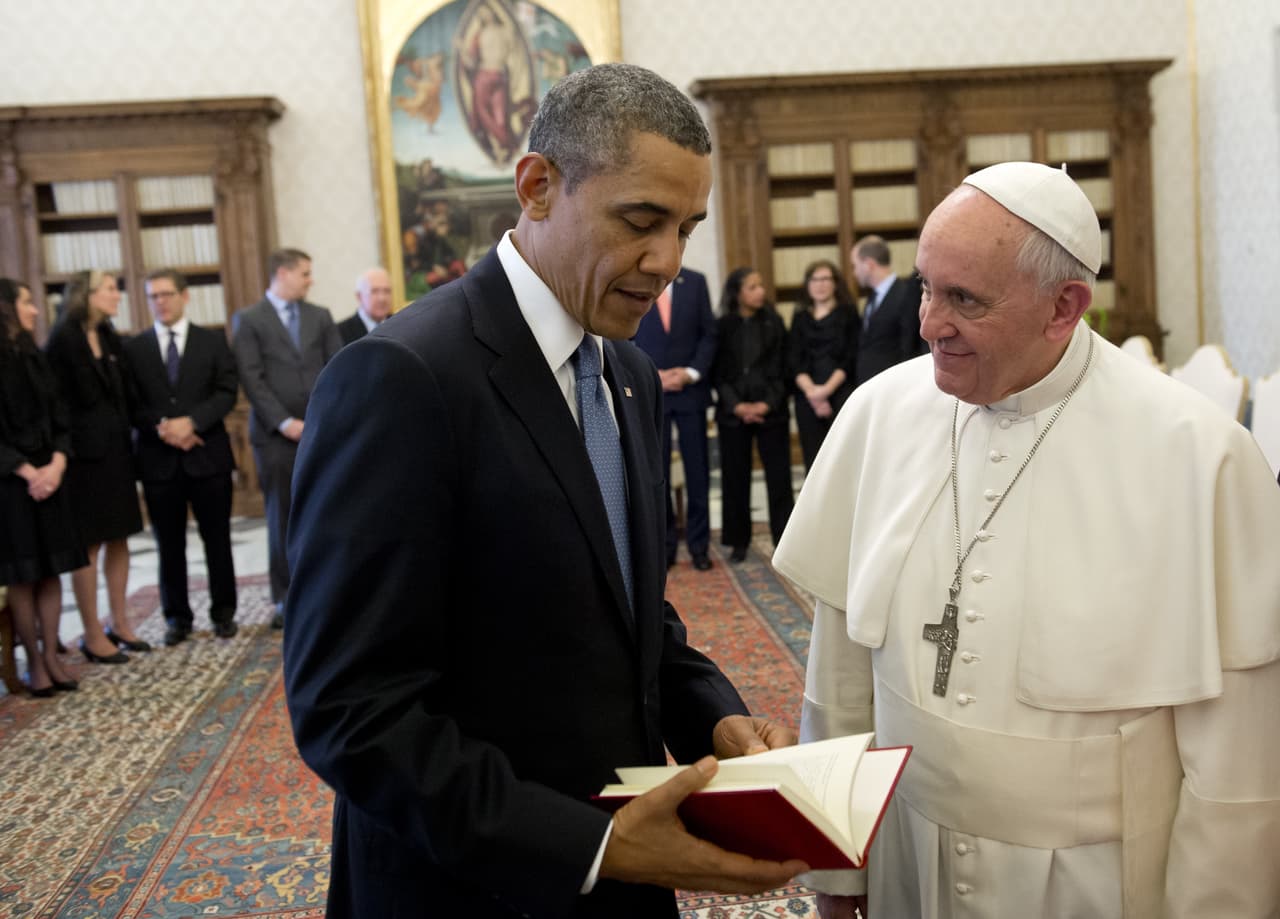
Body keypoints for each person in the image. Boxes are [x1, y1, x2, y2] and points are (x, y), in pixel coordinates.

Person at [283, 63, 807, 919]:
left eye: (686, 229)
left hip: (626, 877)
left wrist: (712, 719)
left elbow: (628, 615)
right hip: (466, 890)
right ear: (536, 187)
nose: (668, 262)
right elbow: (351, 708)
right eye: (641, 221)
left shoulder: (629, 374)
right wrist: (589, 847)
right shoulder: (402, 376)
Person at [773, 161, 1280, 918]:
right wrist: (835, 867)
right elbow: (838, 676)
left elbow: (1237, 761)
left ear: (1063, 306)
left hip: (1096, 883)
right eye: (925, 287)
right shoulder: (879, 413)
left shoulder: (1198, 455)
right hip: (909, 859)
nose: (928, 323)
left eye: (964, 299)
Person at [125, 269, 240, 645]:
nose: (161, 302)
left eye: (167, 294)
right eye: (153, 296)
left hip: (207, 456)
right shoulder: (135, 349)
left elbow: (227, 391)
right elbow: (130, 402)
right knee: (169, 544)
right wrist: (163, 427)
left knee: (217, 539)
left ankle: (223, 612)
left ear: (184, 296)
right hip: (159, 461)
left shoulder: (212, 341)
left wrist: (192, 423)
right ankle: (177, 618)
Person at [232, 248, 341, 630]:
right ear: (283, 273)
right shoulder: (249, 320)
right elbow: (251, 378)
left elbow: (337, 366)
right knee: (282, 517)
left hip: (320, 430)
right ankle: (286, 598)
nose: (311, 280)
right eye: (305, 273)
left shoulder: (320, 316)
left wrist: (322, 419)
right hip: (274, 437)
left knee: (325, 512)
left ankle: (325, 591)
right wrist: (284, 422)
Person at [44, 270, 142, 662]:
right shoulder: (62, 339)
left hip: (117, 451)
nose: (117, 295)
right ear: (86, 294)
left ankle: (120, 623)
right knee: (90, 543)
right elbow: (56, 405)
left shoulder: (108, 334)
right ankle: (92, 633)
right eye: (110, 289)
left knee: (120, 537)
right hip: (82, 458)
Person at [0, 278, 86, 696]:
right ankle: (33, 661)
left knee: (52, 570)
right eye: (26, 302)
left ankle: (51, 654)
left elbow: (61, 415)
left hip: (51, 474)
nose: (35, 310)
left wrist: (57, 462)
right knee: (23, 574)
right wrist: (27, 472)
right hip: (11, 484)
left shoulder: (35, 355)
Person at [632, 266, 717, 570]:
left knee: (698, 473)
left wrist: (691, 372)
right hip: (652, 391)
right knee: (658, 474)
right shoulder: (636, 280)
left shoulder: (695, 281)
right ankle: (665, 546)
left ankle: (699, 546)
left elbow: (709, 334)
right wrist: (651, 374)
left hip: (690, 391)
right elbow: (624, 334)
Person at [710, 267, 793, 563]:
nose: (761, 291)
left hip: (772, 412)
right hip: (733, 414)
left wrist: (765, 405)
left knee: (779, 478)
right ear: (737, 293)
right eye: (753, 287)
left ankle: (784, 540)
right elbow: (717, 372)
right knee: (735, 477)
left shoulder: (774, 322)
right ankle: (738, 541)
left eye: (761, 285)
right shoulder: (722, 326)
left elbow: (784, 368)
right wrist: (737, 406)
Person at [787, 259, 858, 472]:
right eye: (815, 279)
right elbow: (794, 359)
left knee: (843, 459)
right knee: (813, 461)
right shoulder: (800, 317)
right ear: (807, 284)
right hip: (807, 397)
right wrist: (814, 395)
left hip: (840, 393)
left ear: (835, 283)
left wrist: (826, 391)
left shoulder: (848, 313)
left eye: (826, 279)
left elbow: (850, 357)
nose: (820, 284)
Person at [849, 234, 925, 386]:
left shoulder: (905, 295)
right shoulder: (872, 298)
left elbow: (908, 346)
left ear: (868, 264)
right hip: (870, 384)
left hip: (893, 384)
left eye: (855, 265)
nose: (854, 272)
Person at [337, 267, 394, 345]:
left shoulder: (399, 325)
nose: (382, 298)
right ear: (359, 296)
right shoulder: (340, 332)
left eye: (387, 291)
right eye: (374, 291)